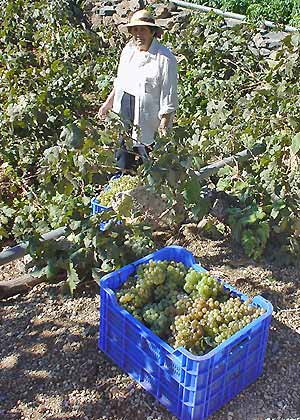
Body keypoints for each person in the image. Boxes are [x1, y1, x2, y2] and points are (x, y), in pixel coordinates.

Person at [98, 9, 178, 170]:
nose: (138, 34)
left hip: (148, 114)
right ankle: (123, 176)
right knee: (123, 144)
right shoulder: (128, 51)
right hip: (125, 105)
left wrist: (164, 124)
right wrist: (108, 103)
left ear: (152, 32)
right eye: (135, 30)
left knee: (147, 150)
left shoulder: (165, 59)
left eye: (143, 29)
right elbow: (120, 81)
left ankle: (147, 184)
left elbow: (169, 95)